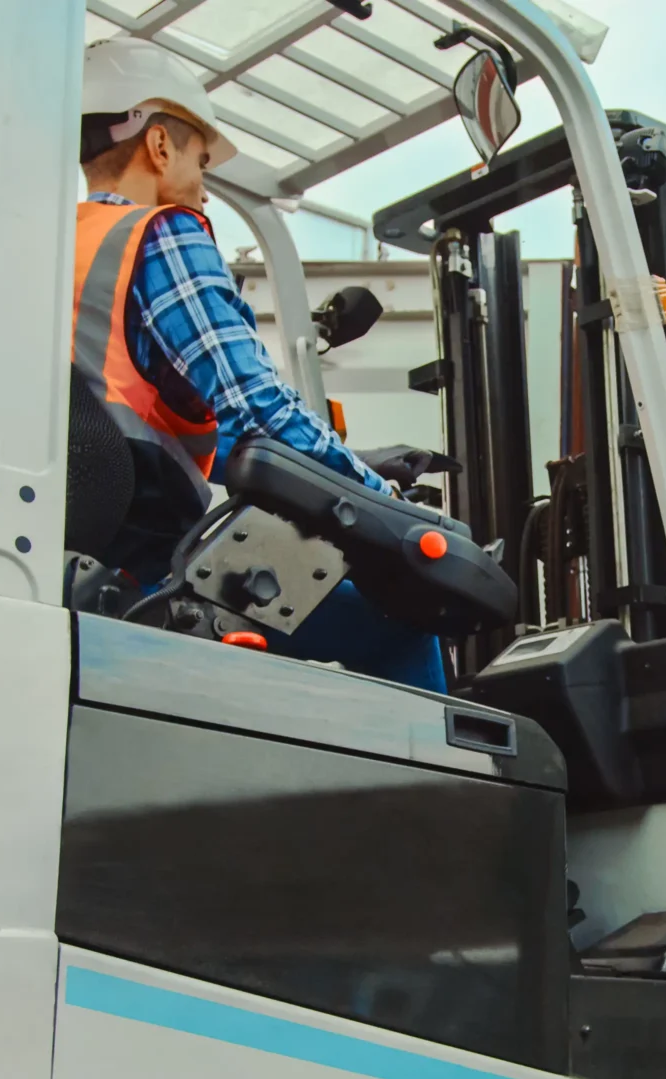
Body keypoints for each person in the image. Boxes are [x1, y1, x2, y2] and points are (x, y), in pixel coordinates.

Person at [73, 37, 449, 692]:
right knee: (401, 627)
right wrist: (381, 500)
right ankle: (455, 798)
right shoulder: (163, 231)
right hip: (152, 573)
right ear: (160, 145)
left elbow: (128, 409)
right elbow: (256, 408)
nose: (205, 190)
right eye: (201, 160)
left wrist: (347, 460)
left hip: (78, 563)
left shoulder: (50, 247)